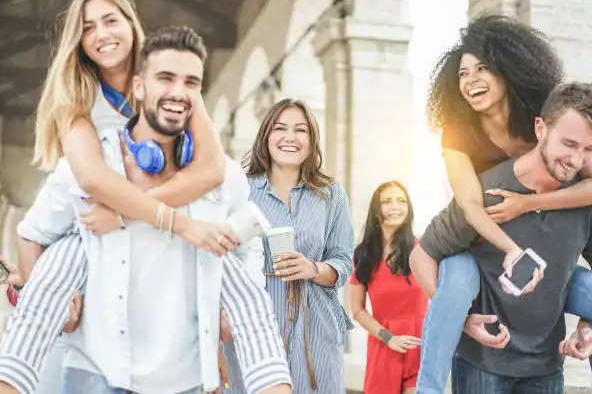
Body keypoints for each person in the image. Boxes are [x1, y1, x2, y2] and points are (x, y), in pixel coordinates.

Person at [0, 25, 293, 394]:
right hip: (97, 376)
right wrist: (63, 304)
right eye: (166, 78)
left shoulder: (222, 179)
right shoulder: (88, 172)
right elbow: (36, 249)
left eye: (191, 82)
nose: (178, 92)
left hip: (185, 380)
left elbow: (250, 299)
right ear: (138, 87)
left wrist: (226, 320)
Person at [414, 14, 592, 393]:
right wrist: (509, 249)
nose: (470, 80)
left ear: (509, 71)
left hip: (543, 263)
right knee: (455, 282)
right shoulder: (458, 132)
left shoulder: (540, 113)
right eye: (463, 73)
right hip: (478, 239)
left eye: (483, 68)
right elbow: (471, 206)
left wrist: (527, 204)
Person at [222, 98, 354, 393]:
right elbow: (220, 258)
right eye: (280, 128)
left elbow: (344, 260)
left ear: (311, 139)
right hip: (253, 327)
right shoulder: (241, 189)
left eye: (301, 130)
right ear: (266, 136)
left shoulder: (331, 195)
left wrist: (314, 268)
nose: (290, 137)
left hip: (315, 328)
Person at [349, 181, 427, 394]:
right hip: (384, 346)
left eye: (401, 201)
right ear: (376, 211)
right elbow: (357, 310)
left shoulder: (423, 250)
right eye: (387, 201)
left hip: (419, 345)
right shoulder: (362, 256)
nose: (395, 206)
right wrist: (388, 338)